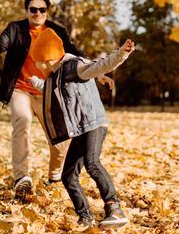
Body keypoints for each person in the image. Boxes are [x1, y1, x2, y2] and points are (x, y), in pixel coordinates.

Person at [0, 0, 109, 200]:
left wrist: (98, 72)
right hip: (21, 90)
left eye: (42, 9)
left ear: (47, 11)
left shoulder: (57, 31)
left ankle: (54, 177)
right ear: (27, 11)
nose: (37, 13)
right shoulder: (15, 29)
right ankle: (21, 178)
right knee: (22, 121)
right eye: (33, 9)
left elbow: (77, 55)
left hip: (50, 93)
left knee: (61, 142)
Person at [28, 28, 135, 229]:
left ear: (47, 59)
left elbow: (101, 66)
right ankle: (86, 216)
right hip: (80, 129)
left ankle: (114, 208)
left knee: (92, 163)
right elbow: (51, 92)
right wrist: (35, 82)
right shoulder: (56, 76)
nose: (39, 69)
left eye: (38, 66)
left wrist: (121, 53)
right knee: (68, 176)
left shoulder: (75, 66)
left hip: (94, 124)